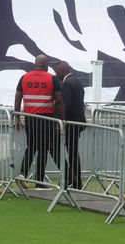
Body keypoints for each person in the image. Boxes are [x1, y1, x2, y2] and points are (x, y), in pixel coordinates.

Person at [14, 55, 64, 187]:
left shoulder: (24, 77)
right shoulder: (51, 78)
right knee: (43, 149)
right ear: (46, 64)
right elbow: (58, 100)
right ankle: (39, 181)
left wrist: (17, 117)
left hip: (30, 118)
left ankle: (22, 174)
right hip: (46, 118)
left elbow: (18, 97)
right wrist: (62, 119)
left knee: (31, 147)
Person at [55, 61, 85, 190]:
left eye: (57, 72)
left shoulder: (67, 83)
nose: (56, 75)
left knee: (55, 147)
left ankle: (70, 175)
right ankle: (77, 181)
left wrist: (59, 120)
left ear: (62, 70)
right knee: (73, 152)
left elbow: (65, 105)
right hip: (78, 122)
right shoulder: (77, 81)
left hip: (70, 123)